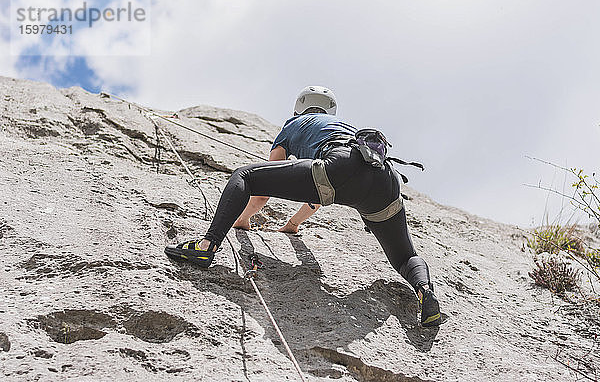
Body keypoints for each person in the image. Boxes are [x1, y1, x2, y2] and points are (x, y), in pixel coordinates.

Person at [165, 86, 442, 327]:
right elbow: (316, 192)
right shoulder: (347, 128)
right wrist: (293, 224)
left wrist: (242, 219)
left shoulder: (291, 126)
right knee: (405, 257)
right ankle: (425, 291)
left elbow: (260, 191)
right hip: (385, 181)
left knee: (244, 175)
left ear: (299, 109)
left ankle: (206, 247)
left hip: (337, 168)